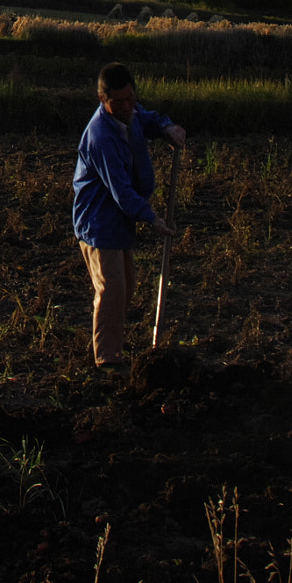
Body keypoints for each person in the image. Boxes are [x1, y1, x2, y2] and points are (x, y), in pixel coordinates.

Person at [72, 62, 185, 368]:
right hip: (98, 221)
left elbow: (148, 118)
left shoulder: (132, 113)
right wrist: (152, 218)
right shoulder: (101, 136)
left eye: (130, 98)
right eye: (117, 102)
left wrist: (167, 127)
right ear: (102, 101)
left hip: (120, 220)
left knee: (127, 288)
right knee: (112, 289)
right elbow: (121, 191)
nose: (126, 106)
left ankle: (112, 347)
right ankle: (107, 360)